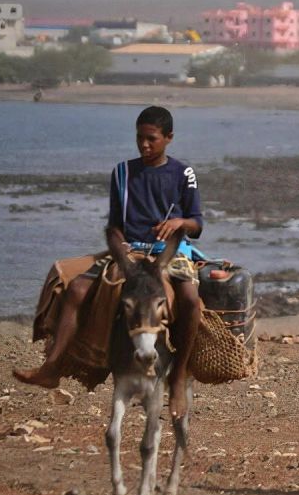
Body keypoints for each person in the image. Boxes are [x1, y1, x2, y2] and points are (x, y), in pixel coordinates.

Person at [14, 105, 203, 422]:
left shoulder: (183, 173)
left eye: (151, 139)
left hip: (169, 252)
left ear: (168, 138)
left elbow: (197, 223)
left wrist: (179, 222)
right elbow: (113, 226)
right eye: (139, 138)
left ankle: (179, 376)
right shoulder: (122, 172)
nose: (144, 145)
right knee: (75, 288)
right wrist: (121, 250)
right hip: (129, 253)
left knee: (190, 300)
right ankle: (52, 367)